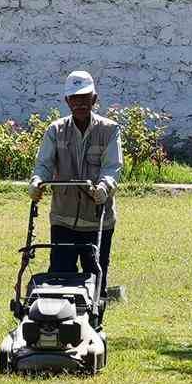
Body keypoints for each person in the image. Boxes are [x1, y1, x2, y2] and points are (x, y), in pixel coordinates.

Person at [28, 70, 123, 289]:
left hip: (98, 219)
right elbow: (44, 164)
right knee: (60, 277)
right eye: (75, 98)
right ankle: (57, 320)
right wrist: (36, 181)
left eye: (85, 97)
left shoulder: (109, 130)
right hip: (63, 218)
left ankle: (94, 321)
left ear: (94, 99)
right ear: (67, 101)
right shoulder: (55, 130)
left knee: (96, 277)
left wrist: (104, 187)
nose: (80, 103)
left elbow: (112, 167)